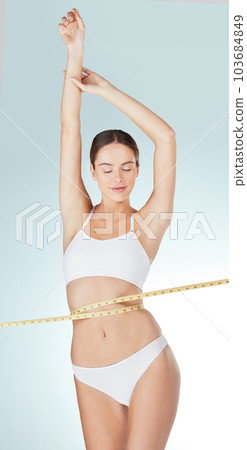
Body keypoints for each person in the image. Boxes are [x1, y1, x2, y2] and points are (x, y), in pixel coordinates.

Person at [58, 8, 181, 450]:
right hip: (89, 372)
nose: (117, 177)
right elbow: (69, 131)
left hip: (146, 362)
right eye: (107, 168)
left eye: (127, 167)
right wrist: (76, 54)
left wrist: (106, 90)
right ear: (92, 172)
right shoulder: (77, 218)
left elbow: (165, 138)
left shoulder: (147, 223)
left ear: (137, 171)